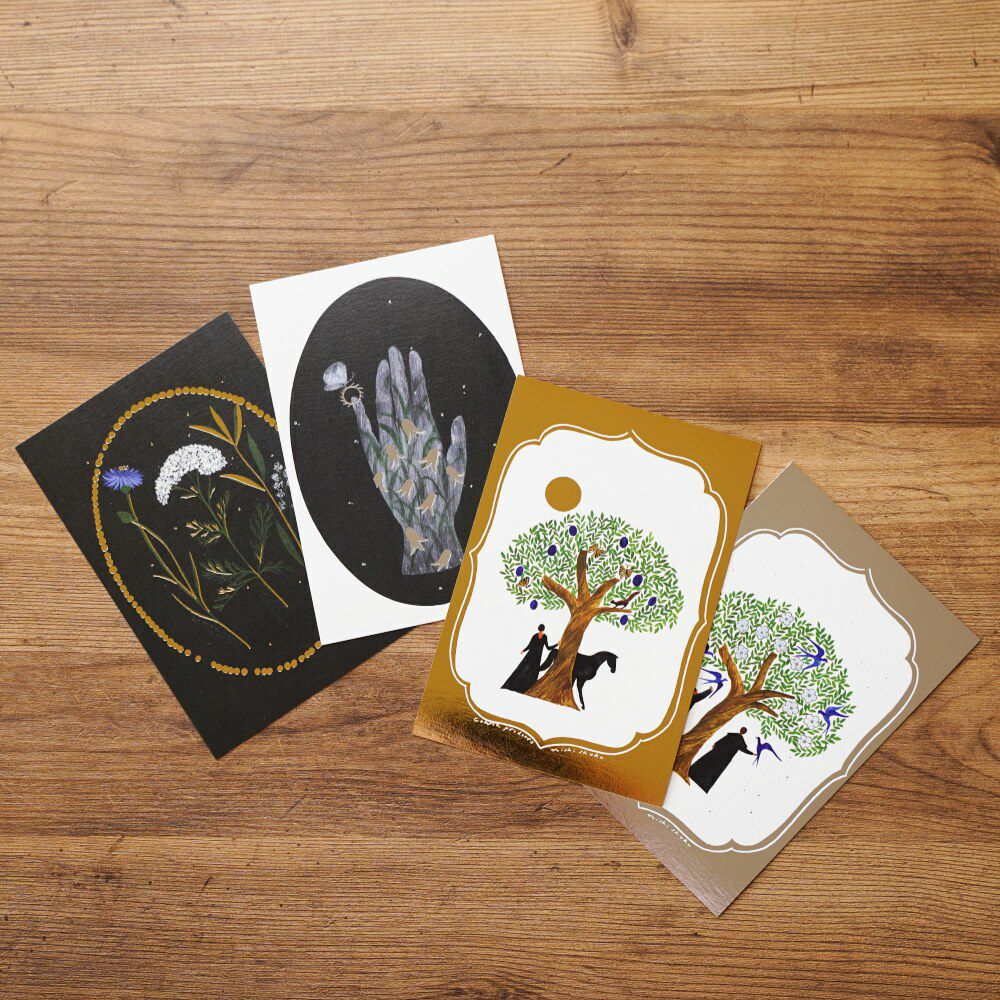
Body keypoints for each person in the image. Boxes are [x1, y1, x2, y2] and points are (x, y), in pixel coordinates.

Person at [689, 726, 753, 793]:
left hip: (718, 750)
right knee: (716, 768)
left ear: (740, 730)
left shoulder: (731, 735)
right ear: (744, 733)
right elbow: (744, 750)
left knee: (707, 761)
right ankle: (704, 783)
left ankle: (692, 773)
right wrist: (752, 753)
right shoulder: (741, 741)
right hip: (725, 757)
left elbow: (722, 740)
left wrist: (715, 744)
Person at [502, 624, 557, 693]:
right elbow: (548, 648)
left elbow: (529, 646)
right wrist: (557, 644)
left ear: (539, 628)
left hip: (531, 655)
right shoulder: (544, 636)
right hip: (536, 656)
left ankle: (521, 685)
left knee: (525, 670)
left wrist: (523, 650)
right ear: (544, 629)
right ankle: (525, 686)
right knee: (531, 671)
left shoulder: (535, 636)